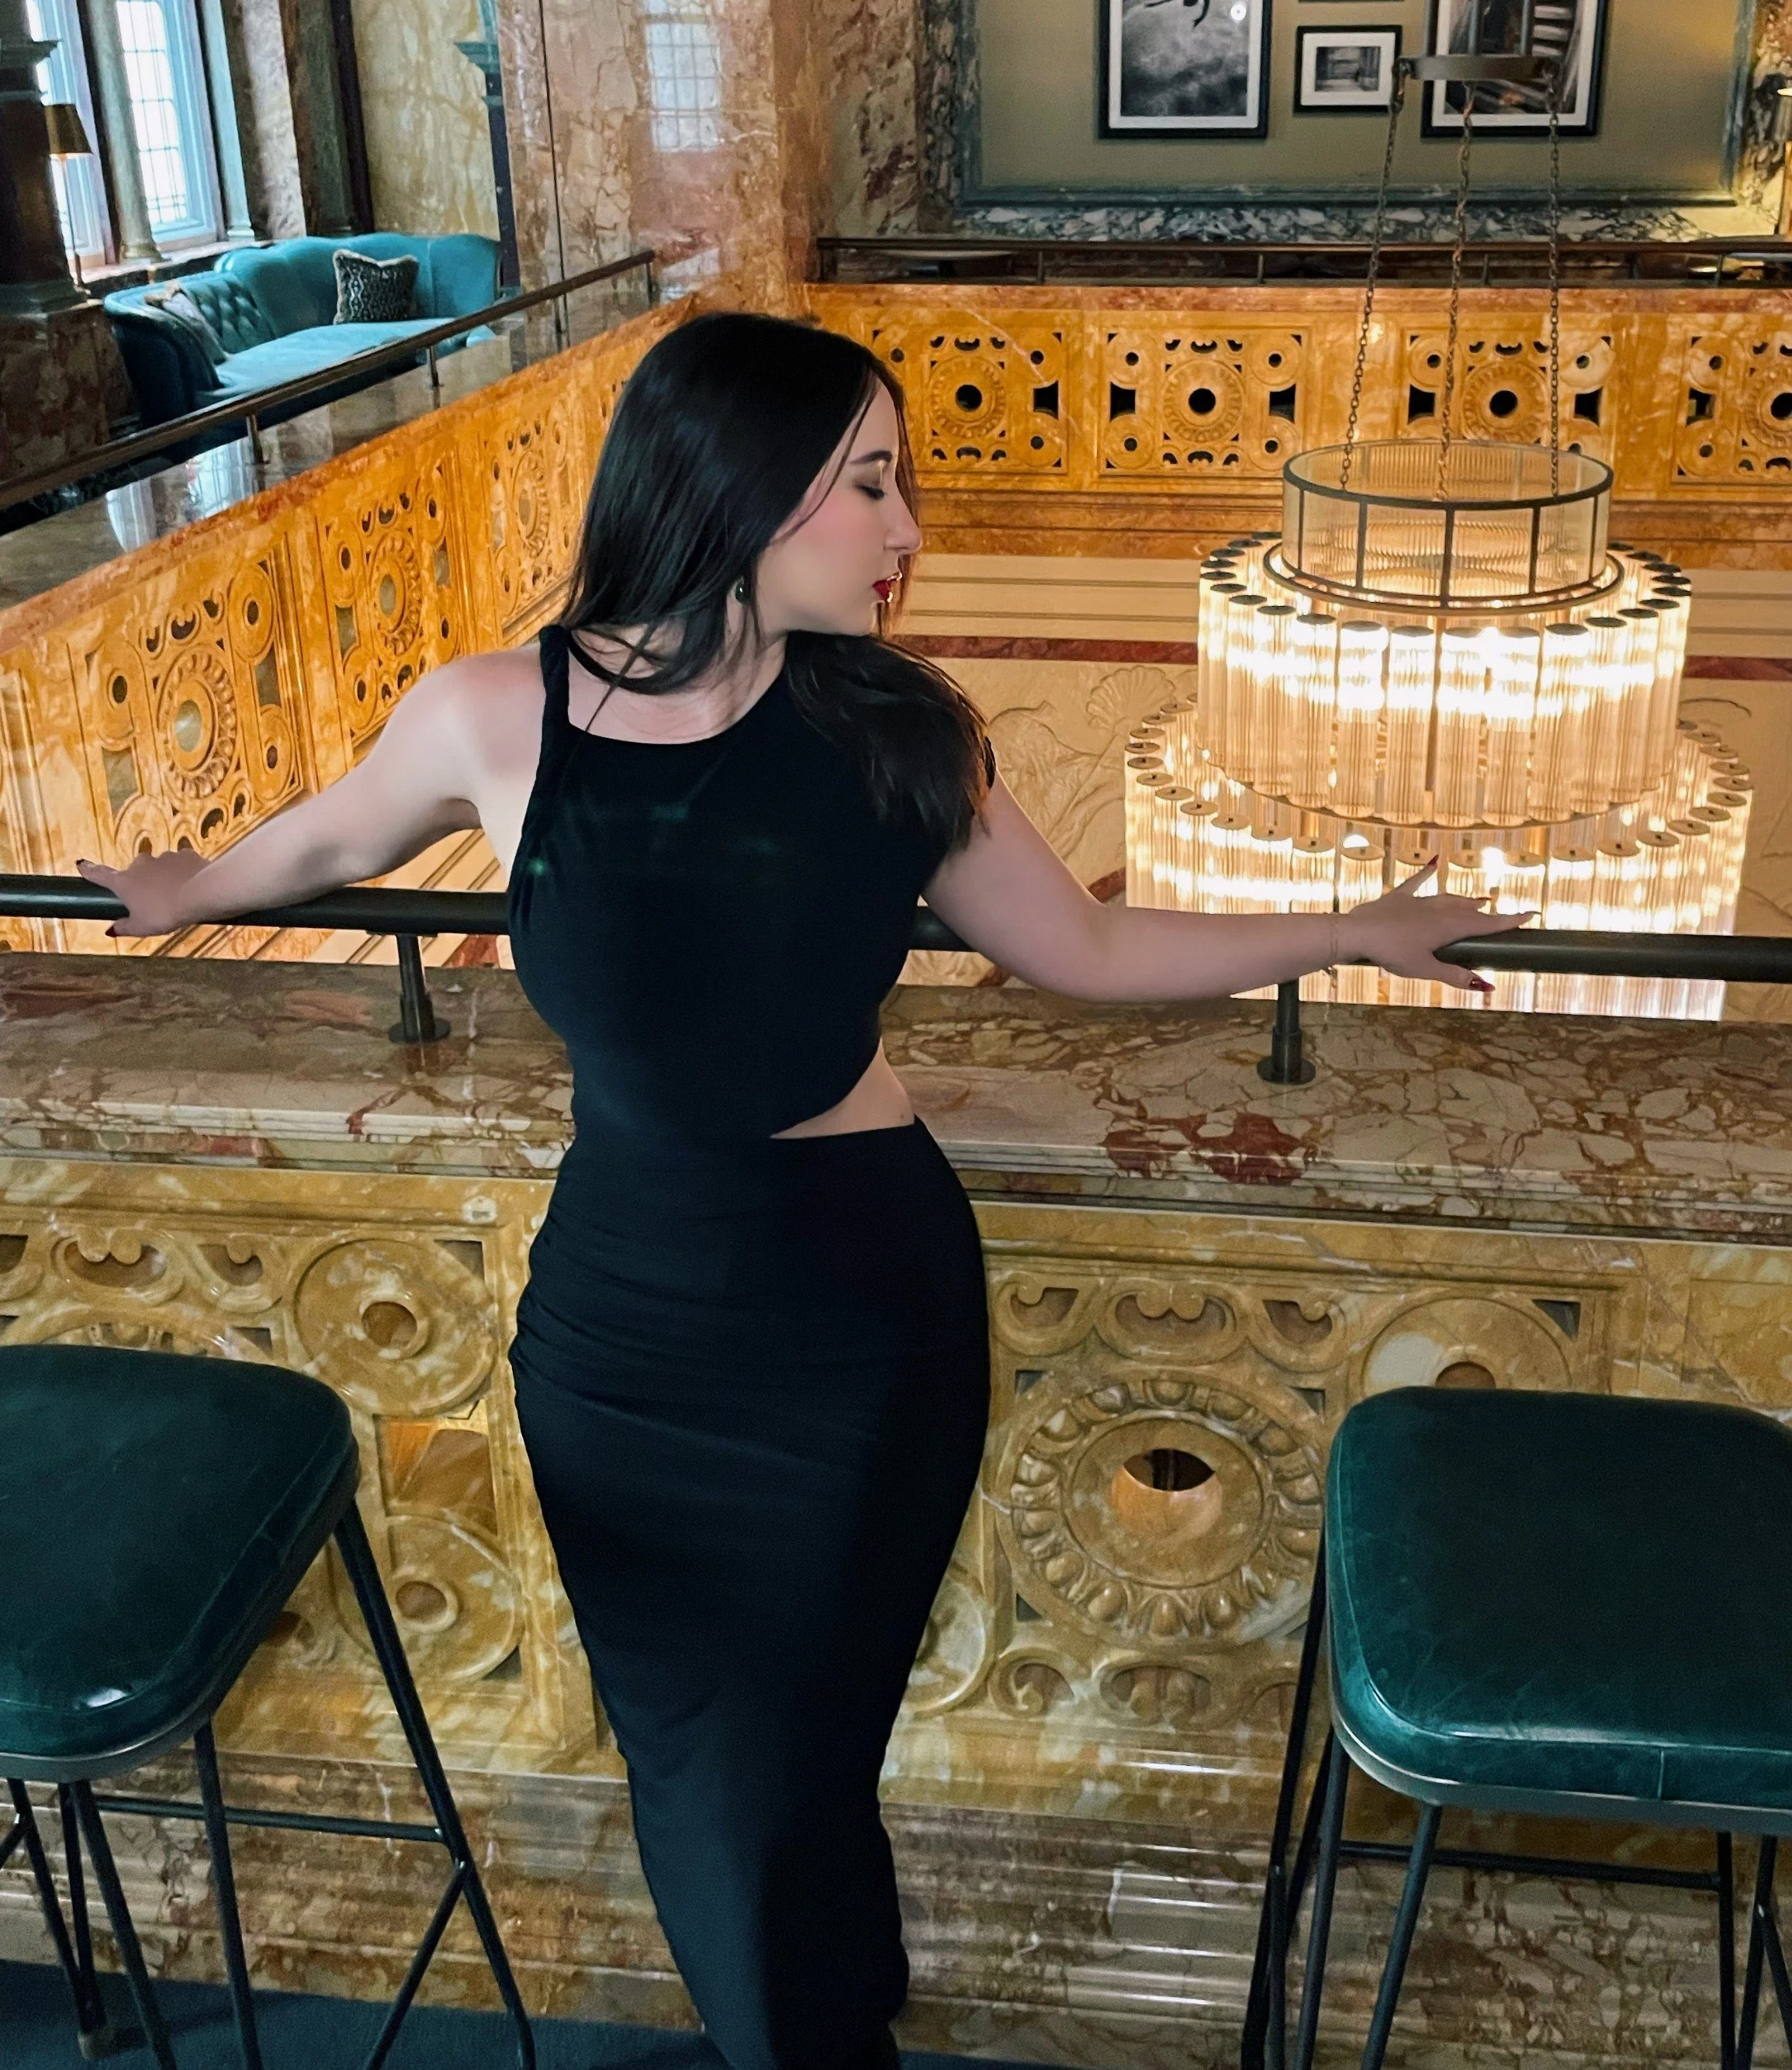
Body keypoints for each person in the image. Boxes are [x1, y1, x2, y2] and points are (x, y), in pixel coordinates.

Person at [78, 310, 1527, 2070]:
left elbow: (1083, 942)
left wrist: (1350, 925)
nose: (911, 530)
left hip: (858, 1332)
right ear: (740, 488)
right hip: (618, 1343)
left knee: (792, 1760)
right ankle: (825, 2028)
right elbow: (329, 840)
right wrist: (186, 883)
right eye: (873, 483)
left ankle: (811, 2036)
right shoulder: (490, 712)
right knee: (695, 1749)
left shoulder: (901, 731)